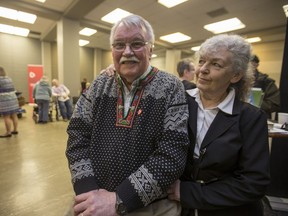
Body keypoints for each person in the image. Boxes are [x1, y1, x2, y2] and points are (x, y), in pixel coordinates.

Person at [65, 14, 189, 216]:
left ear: (151, 48)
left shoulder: (171, 87)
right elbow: (77, 136)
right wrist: (90, 192)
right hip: (94, 197)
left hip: (149, 204)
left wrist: (119, 200)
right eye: (119, 45)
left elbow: (172, 153)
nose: (127, 52)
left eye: (137, 43)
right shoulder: (99, 85)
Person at [167, 34, 270, 216]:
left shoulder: (251, 118)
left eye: (216, 64)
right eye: (201, 61)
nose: (203, 69)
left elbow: (254, 183)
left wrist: (189, 193)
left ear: (236, 75)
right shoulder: (178, 99)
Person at [251, 54, 280, 119]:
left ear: (256, 65)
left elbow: (274, 104)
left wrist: (254, 103)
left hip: (259, 118)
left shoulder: (266, 82)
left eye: (249, 63)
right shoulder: (237, 79)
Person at [0, 66, 19, 138]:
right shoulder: (9, 78)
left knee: (6, 116)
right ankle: (15, 130)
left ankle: (8, 132)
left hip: (5, 100)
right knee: (14, 115)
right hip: (13, 99)